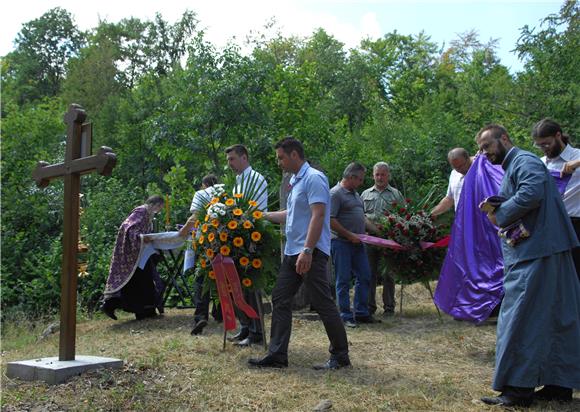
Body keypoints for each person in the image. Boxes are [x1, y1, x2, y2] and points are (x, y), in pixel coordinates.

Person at [475, 124, 580, 407]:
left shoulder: (524, 161)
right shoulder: (518, 164)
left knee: (520, 318)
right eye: (482, 150)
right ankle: (559, 386)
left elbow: (532, 192)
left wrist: (501, 213)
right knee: (555, 317)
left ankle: (517, 390)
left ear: (505, 138)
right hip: (544, 249)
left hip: (539, 253)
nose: (485, 153)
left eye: (487, 146)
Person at [248, 137, 350, 370]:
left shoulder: (314, 178)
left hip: (309, 252)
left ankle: (341, 356)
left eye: (281, 157)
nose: (279, 162)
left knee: (322, 302)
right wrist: (261, 216)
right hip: (293, 252)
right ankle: (277, 355)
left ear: (295, 154)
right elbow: (290, 214)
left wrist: (307, 250)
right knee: (280, 297)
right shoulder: (295, 181)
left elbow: (318, 215)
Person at [225, 144, 268, 347]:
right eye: (228, 160)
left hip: (251, 238)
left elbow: (256, 212)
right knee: (237, 285)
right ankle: (245, 326)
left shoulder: (256, 179)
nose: (230, 164)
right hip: (237, 239)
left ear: (244, 157)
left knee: (251, 287)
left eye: (232, 159)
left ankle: (256, 331)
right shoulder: (238, 181)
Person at [101, 195, 166, 320]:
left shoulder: (148, 214)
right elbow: (128, 228)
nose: (159, 210)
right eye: (159, 207)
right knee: (136, 280)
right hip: (131, 251)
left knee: (141, 279)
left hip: (140, 251)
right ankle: (111, 305)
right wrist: (141, 237)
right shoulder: (141, 211)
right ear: (154, 204)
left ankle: (147, 310)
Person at [532, 118, 580, 281]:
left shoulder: (577, 156)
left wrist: (577, 163)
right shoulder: (540, 163)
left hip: (575, 225)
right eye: (539, 145)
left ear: (558, 135)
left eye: (546, 143)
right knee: (556, 278)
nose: (544, 148)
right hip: (549, 226)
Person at [331, 162, 378, 327]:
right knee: (343, 280)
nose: (361, 182)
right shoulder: (335, 194)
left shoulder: (356, 195)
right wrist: (349, 235)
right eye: (360, 179)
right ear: (351, 177)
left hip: (358, 243)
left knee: (365, 276)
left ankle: (361, 312)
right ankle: (345, 315)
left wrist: (378, 231)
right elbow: (330, 220)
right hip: (341, 243)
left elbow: (362, 218)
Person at [361, 162, 404, 317]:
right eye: (377, 174)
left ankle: (389, 308)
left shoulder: (396, 194)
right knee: (369, 274)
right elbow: (360, 216)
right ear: (373, 175)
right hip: (369, 240)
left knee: (388, 275)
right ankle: (369, 308)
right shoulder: (365, 194)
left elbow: (403, 216)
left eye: (383, 174)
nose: (380, 177)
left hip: (388, 240)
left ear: (388, 175)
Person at [179, 174, 220, 335]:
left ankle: (201, 315)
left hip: (205, 239)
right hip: (223, 239)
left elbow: (195, 216)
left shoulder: (201, 194)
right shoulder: (224, 192)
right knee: (220, 276)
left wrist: (182, 232)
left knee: (201, 277)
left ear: (204, 185)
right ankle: (219, 313)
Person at [430, 148, 473, 217]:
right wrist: (430, 214)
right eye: (456, 167)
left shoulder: (482, 172)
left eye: (462, 165)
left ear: (468, 159)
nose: (460, 170)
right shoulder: (454, 174)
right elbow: (449, 199)